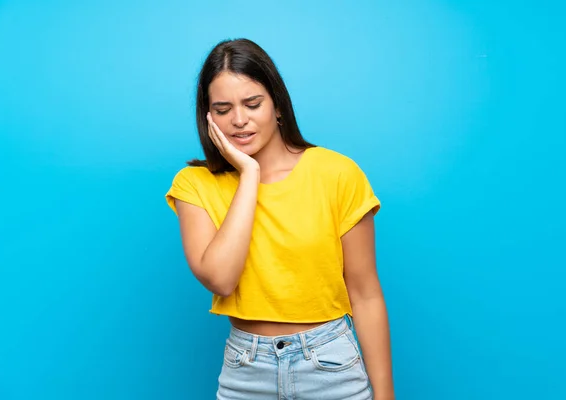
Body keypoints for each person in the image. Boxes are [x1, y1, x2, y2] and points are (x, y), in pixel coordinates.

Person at [165, 38, 395, 400]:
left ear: (277, 105)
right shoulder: (194, 185)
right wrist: (249, 175)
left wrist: (386, 396)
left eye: (252, 104)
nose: (239, 120)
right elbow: (222, 279)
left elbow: (365, 295)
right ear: (208, 117)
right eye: (223, 109)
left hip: (330, 365)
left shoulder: (337, 173)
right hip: (245, 371)